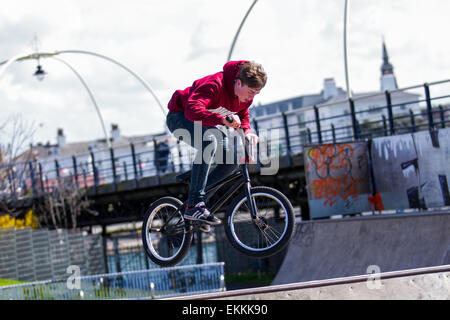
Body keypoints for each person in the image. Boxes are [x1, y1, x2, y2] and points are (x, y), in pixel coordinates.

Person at [166, 60, 267, 225]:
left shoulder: (245, 97)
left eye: (256, 93)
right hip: (179, 118)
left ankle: (197, 201)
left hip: (205, 123)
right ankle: (194, 204)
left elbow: (243, 113)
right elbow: (192, 110)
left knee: (231, 163)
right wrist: (222, 119)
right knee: (209, 142)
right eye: (250, 92)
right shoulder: (215, 84)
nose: (251, 98)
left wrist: (248, 131)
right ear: (238, 83)